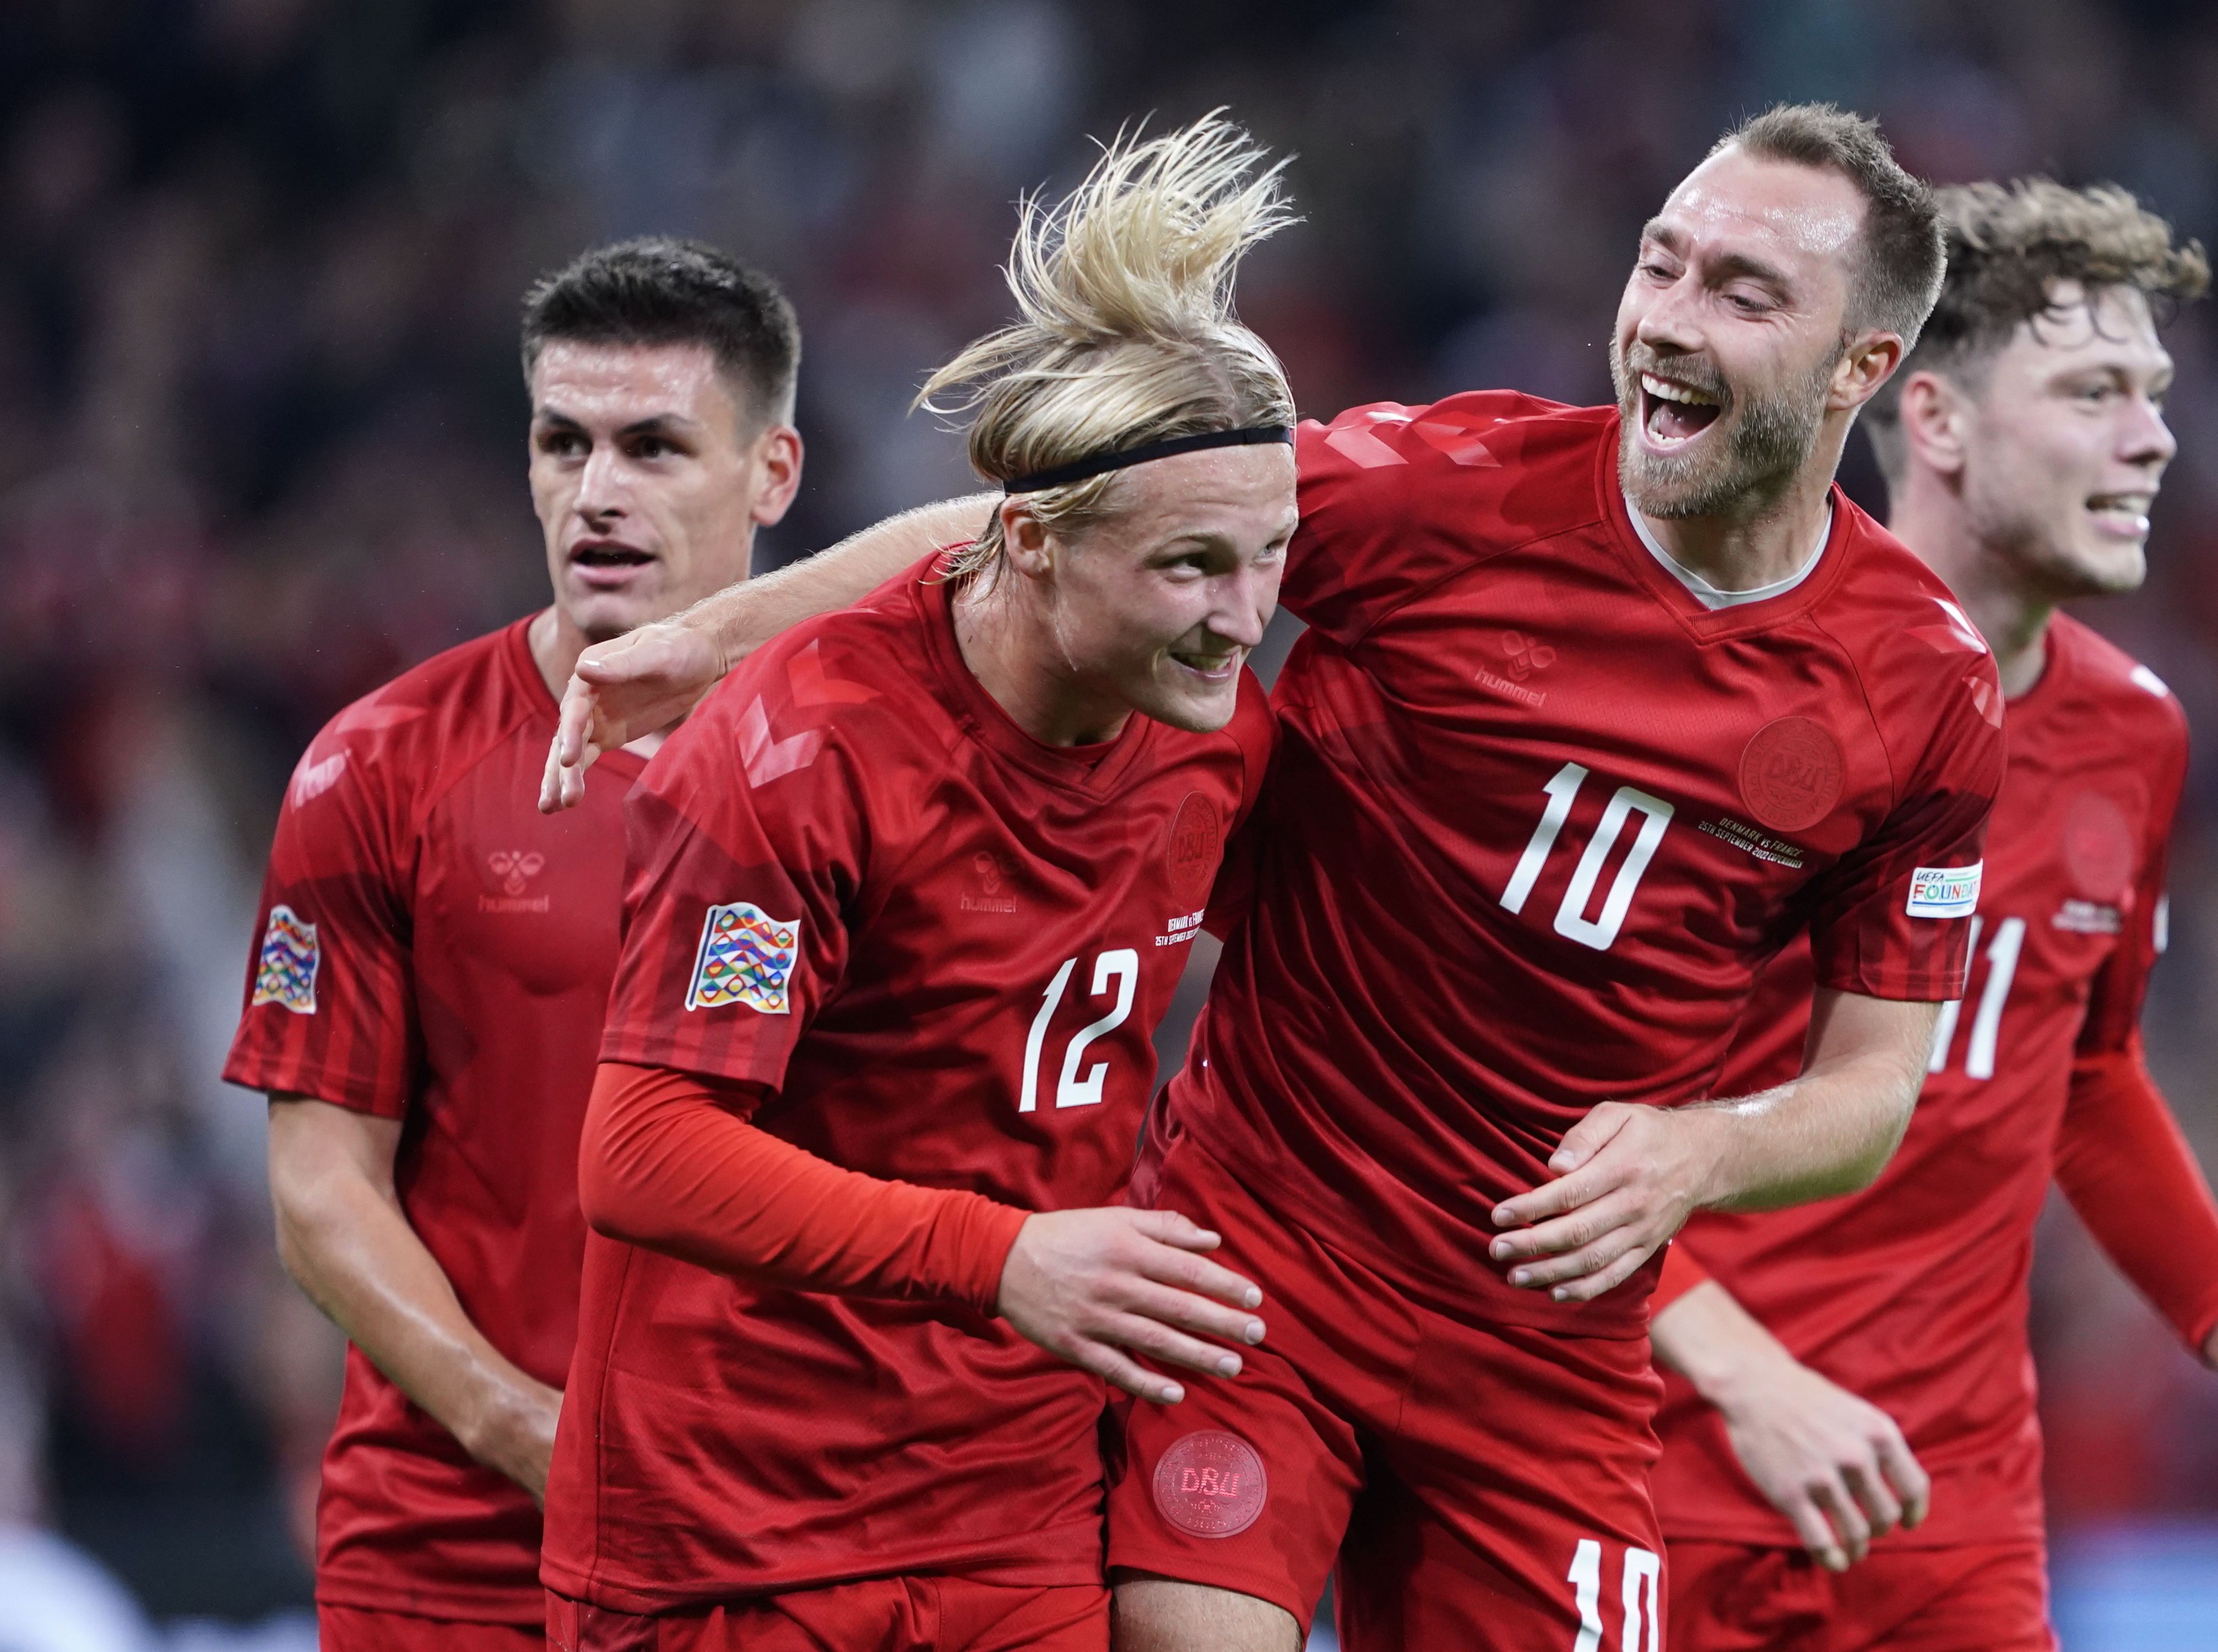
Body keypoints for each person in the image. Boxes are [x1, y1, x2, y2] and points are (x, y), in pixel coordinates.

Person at [543, 103, 2003, 1652]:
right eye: (1662, 263)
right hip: (1254, 1271)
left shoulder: (1926, 692)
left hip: (1545, 1346)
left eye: (1745, 293)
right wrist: (717, 638)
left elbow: (1873, 1090)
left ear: (1863, 366)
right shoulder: (1454, 488)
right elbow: (1113, 501)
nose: (1670, 319)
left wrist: (1705, 1151)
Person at [536, 118, 1290, 1652]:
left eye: (1269, 556)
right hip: (736, 1537)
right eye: (1192, 570)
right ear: (1035, 544)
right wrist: (1003, 1259)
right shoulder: (802, 755)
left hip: (1013, 1519)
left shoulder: (1215, 718)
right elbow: (644, 1155)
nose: (1246, 615)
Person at [1642, 179, 2218, 1652]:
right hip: (1664, 1475)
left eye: (2155, 395)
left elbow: (2085, 1073)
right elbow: (1517, 1095)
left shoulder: (2137, 733)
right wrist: (1748, 1380)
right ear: (1935, 420)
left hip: (1954, 1518)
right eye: (2094, 392)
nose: (2152, 437)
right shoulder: (1726, 695)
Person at [224, 236, 805, 1651]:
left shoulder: (876, 762)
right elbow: (320, 1187)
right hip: (457, 1559)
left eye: (655, 447)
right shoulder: (380, 766)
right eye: (563, 443)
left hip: (785, 1547)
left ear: (773, 474)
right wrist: (525, 1430)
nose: (597, 491)